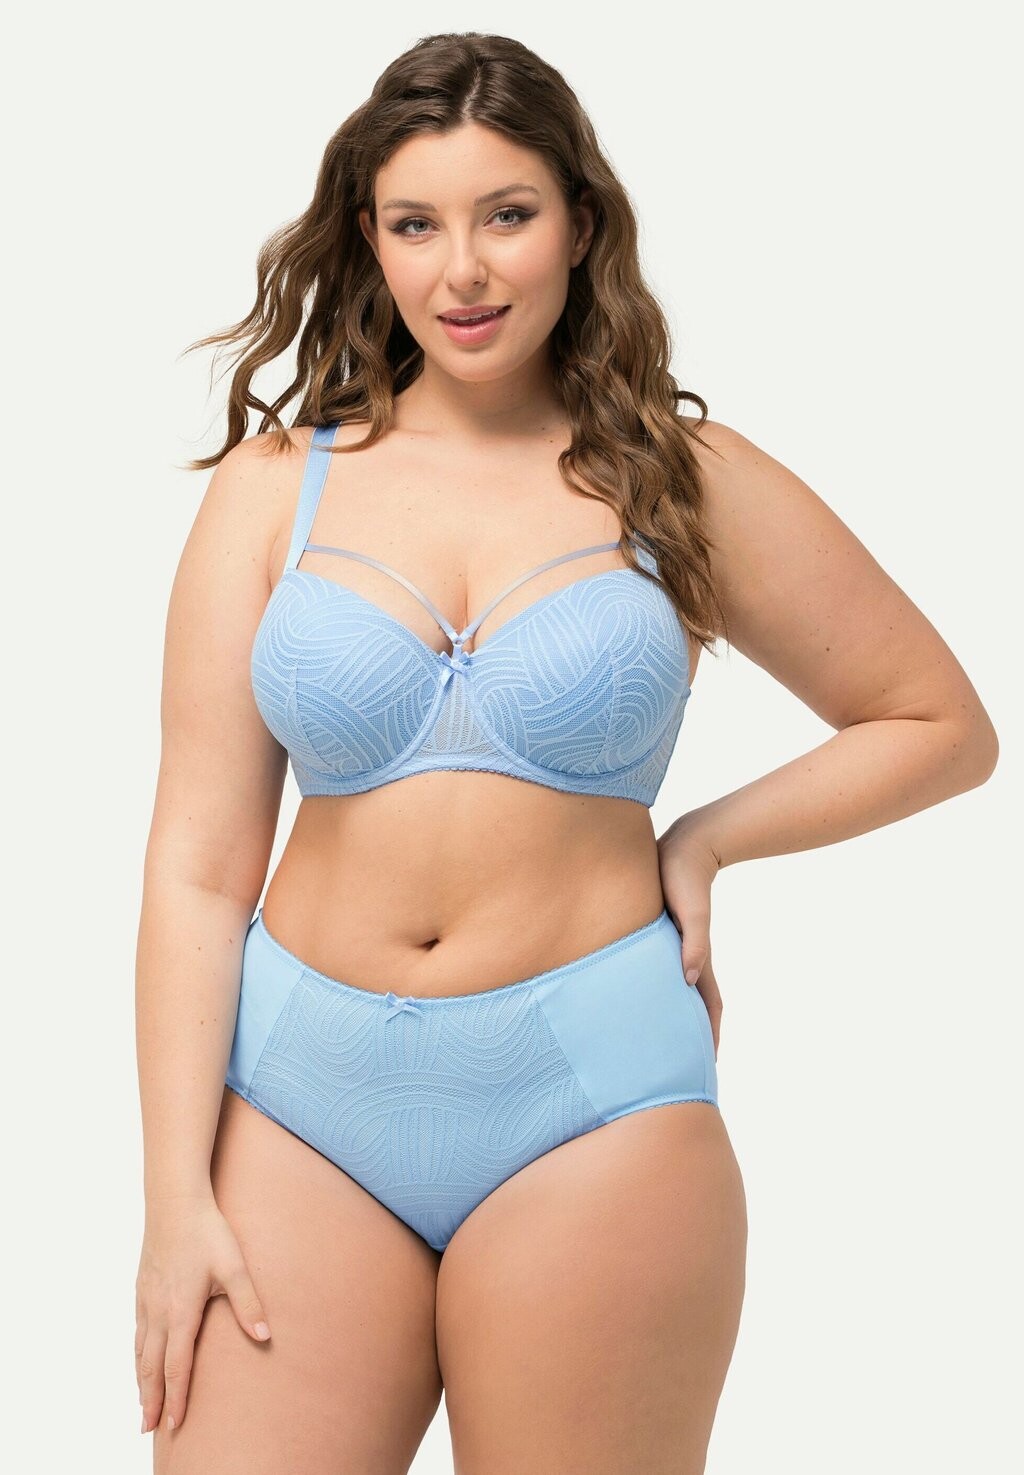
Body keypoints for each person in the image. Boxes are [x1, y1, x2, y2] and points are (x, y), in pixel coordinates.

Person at [133, 31, 999, 1475]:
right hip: (294, 1104)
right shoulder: (276, 487)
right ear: (370, 240)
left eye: (508, 214)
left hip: (591, 1106)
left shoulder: (683, 478)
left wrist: (706, 838)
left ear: (581, 224)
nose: (464, 270)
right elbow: (197, 867)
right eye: (417, 224)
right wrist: (174, 1196)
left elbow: (937, 723)